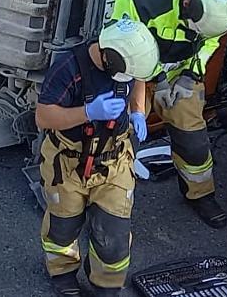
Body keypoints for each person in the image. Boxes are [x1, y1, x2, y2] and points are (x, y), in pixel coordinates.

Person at [35, 16, 160, 297]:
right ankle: (63, 273)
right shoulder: (68, 69)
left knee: (114, 234)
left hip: (113, 162)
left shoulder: (129, 61)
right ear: (110, 59)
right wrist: (88, 113)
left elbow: (138, 78)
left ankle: (106, 285)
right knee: (63, 226)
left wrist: (138, 110)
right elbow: (44, 116)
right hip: (68, 163)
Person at [108, 0, 227, 229]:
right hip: (135, 72)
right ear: (187, 1)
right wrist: (158, 79)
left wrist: (191, 75)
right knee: (119, 132)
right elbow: (125, 46)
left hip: (179, 73)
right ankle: (106, 201)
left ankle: (200, 193)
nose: (192, 32)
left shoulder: (218, 11)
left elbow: (210, 42)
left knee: (193, 137)